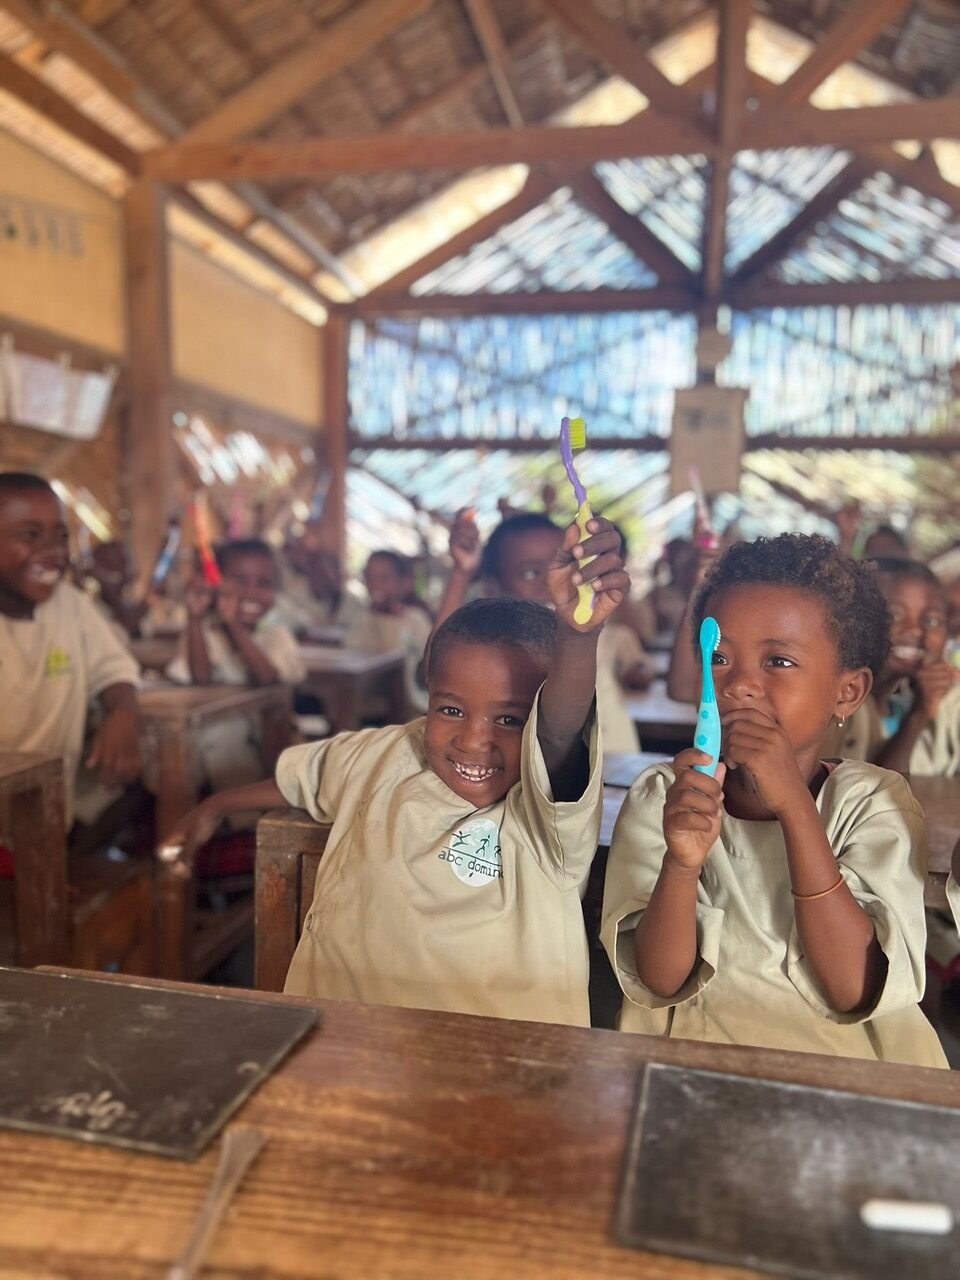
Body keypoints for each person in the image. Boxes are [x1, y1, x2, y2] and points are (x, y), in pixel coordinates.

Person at [163, 517, 628, 1024]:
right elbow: (305, 774)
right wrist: (216, 805)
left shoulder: (547, 814)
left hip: (493, 1071)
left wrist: (579, 638)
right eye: (450, 710)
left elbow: (559, 731)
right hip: (340, 1047)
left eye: (510, 719)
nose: (473, 740)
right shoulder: (382, 754)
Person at [602, 533, 946, 1067]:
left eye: (778, 662)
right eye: (719, 657)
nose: (739, 685)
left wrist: (794, 806)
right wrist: (682, 860)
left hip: (850, 1075)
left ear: (847, 692)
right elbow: (660, 979)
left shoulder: (877, 804)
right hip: (696, 1065)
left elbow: (851, 990)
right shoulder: (666, 799)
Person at [0, 472, 141, 829]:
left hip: (45, 814)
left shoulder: (70, 605)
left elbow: (115, 669)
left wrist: (123, 712)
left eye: (61, 537)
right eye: (30, 535)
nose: (53, 551)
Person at [166, 538, 305, 794]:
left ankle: (240, 818)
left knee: (224, 739)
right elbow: (200, 678)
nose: (251, 592)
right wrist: (194, 619)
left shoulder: (277, 635)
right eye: (240, 581)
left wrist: (234, 626)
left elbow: (267, 677)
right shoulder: (207, 632)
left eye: (263, 583)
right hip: (216, 739)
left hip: (271, 741)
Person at [344, 549, 433, 715]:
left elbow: (427, 665)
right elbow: (350, 651)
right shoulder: (362, 617)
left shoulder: (415, 619)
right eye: (370, 577)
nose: (376, 584)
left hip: (408, 707)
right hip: (365, 700)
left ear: (403, 582)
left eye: (384, 578)